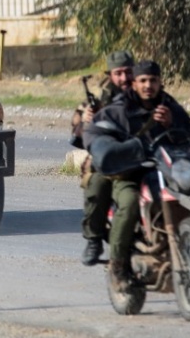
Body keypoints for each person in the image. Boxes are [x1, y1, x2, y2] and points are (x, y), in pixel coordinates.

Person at [82, 60, 190, 292]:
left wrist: (172, 124)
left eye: (153, 80)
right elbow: (92, 133)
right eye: (143, 81)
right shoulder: (118, 109)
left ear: (160, 82)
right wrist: (110, 149)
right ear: (134, 84)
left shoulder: (169, 106)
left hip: (163, 171)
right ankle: (117, 266)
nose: (148, 85)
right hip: (128, 173)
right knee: (130, 202)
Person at [75, 50, 135, 266]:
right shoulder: (99, 98)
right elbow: (76, 134)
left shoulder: (146, 89)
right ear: (110, 75)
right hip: (108, 157)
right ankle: (94, 240)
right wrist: (85, 121)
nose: (124, 78)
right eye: (119, 73)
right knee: (97, 185)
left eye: (129, 72)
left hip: (142, 153)